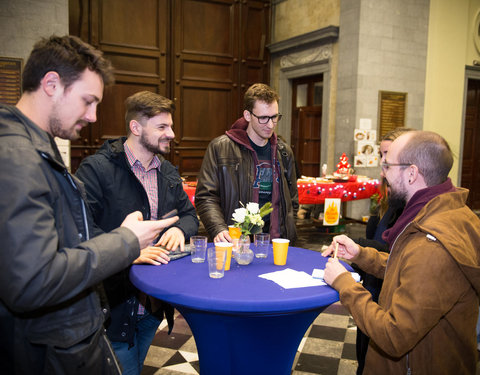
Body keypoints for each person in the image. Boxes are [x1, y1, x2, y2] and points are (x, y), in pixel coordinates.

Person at [0, 35, 179, 374]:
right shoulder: (17, 158)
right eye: (87, 101)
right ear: (51, 84)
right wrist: (127, 241)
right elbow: (32, 282)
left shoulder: (34, 148)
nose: (94, 116)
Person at [322, 130, 480, 374]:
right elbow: (411, 271)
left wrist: (344, 284)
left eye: (387, 165)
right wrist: (361, 255)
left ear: (412, 173)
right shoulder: (443, 212)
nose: (383, 173)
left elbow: (394, 335)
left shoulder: (433, 245)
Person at [75, 90, 198, 375]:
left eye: (170, 125)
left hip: (153, 307)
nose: (172, 133)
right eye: (162, 127)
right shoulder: (96, 169)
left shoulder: (166, 171)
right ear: (136, 127)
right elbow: (79, 227)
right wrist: (127, 248)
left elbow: (190, 215)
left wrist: (180, 229)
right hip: (115, 306)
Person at [195, 83, 298, 243]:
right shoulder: (220, 148)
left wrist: (289, 228)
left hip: (277, 243)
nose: (270, 125)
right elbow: (206, 196)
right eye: (263, 118)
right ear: (248, 115)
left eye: (275, 117)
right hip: (236, 241)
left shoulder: (283, 151)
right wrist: (218, 229)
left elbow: (292, 200)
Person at [353, 127, 412, 374]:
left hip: (385, 292)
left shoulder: (410, 203)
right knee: (363, 352)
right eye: (381, 155)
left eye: (388, 157)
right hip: (373, 283)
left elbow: (395, 253)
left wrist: (360, 248)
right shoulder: (390, 195)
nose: (382, 165)